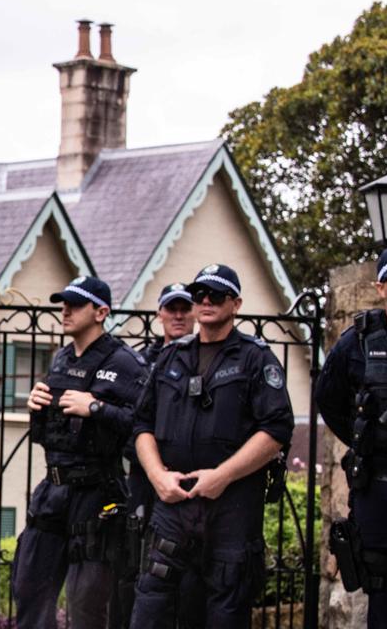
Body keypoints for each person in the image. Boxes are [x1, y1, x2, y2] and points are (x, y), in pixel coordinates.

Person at [131, 264, 294, 628]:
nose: (205, 301)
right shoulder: (171, 357)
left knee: (225, 612)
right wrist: (157, 476)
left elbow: (277, 427)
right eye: (199, 294)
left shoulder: (255, 358)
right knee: (150, 610)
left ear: (235, 304)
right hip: (173, 504)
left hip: (231, 508)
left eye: (216, 295)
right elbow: (141, 424)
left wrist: (223, 475)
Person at [12, 276, 146, 629]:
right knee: (28, 589)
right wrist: (35, 407)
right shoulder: (61, 359)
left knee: (85, 601)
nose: (65, 310)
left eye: (75, 303)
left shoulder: (126, 363)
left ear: (101, 312)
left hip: (96, 491)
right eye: (63, 302)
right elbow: (49, 435)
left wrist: (97, 408)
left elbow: (145, 426)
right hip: (53, 489)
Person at [117, 283, 203, 629]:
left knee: (189, 570)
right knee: (139, 563)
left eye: (185, 308)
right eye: (172, 309)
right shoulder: (140, 361)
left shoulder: (207, 355)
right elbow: (131, 421)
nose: (179, 316)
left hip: (190, 480)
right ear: (160, 314)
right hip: (144, 477)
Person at [315, 248, 387, 628]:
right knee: (380, 588)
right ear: (381, 288)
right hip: (378, 488)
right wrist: (368, 440)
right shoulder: (357, 343)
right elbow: (328, 400)